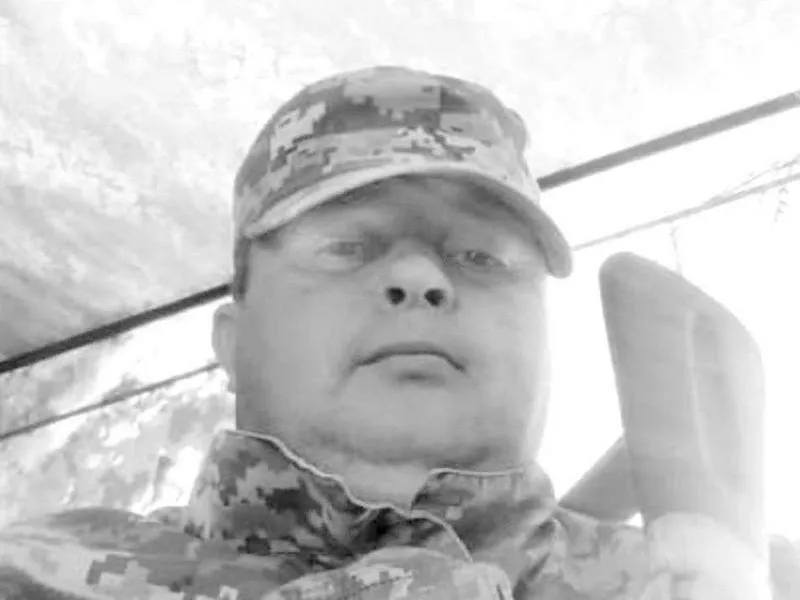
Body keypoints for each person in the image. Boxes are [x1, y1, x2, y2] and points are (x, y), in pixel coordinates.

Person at [0, 66, 778, 599]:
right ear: (232, 343)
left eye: (481, 256)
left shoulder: (740, 576)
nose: (420, 277)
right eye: (348, 246)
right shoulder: (35, 576)